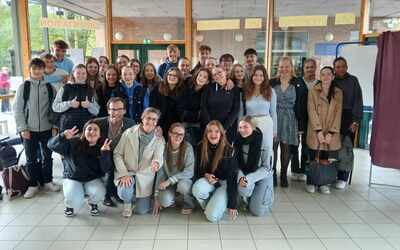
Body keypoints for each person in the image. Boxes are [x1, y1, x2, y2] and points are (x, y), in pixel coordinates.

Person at [13, 58, 60, 199]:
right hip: (29, 130)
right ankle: (33, 185)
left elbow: (56, 109)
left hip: (47, 128)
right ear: (30, 69)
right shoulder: (24, 87)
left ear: (43, 69)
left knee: (48, 156)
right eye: (35, 68)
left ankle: (47, 181)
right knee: (31, 158)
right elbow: (17, 109)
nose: (37, 71)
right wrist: (23, 128)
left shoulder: (50, 87)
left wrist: (55, 126)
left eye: (40, 68)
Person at [47, 120, 112, 217]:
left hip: (92, 179)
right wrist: (62, 136)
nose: (92, 132)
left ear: (99, 134)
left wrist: (105, 154)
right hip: (72, 178)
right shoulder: (73, 143)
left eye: (95, 130)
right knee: (74, 200)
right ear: (84, 131)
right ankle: (70, 205)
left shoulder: (103, 147)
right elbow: (50, 145)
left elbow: (106, 169)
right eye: (89, 129)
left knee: (100, 193)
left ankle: (92, 203)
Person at [113, 107, 165, 217]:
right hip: (128, 173)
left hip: (145, 177)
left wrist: (156, 163)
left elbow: (159, 156)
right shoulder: (129, 133)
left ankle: (137, 197)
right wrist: (123, 174)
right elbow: (117, 154)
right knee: (124, 192)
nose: (151, 122)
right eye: (148, 118)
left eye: (154, 119)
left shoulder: (159, 138)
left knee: (141, 211)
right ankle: (127, 203)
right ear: (142, 118)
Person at [270, 57, 307, 187]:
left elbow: (303, 105)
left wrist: (301, 125)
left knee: (286, 148)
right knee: (273, 148)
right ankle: (272, 174)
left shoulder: (299, 82)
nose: (284, 69)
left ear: (291, 67)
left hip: (291, 118)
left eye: (286, 66)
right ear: (278, 68)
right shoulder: (271, 82)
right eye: (281, 67)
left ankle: (284, 174)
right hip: (274, 117)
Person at [192, 120, 238, 223]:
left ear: (221, 134)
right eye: (210, 131)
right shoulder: (200, 147)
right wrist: (206, 174)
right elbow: (198, 170)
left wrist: (233, 204)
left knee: (211, 217)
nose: (213, 134)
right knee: (197, 189)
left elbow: (232, 178)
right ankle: (211, 205)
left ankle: (217, 205)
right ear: (206, 133)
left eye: (217, 131)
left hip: (225, 184)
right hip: (210, 182)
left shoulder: (229, 150)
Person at [306, 66, 343, 194]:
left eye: (328, 74)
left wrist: (332, 132)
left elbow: (338, 114)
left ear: (333, 76)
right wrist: (318, 131)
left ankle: (323, 183)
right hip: (316, 129)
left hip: (331, 131)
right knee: (313, 156)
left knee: (326, 157)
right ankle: (311, 181)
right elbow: (311, 111)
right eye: (323, 74)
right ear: (319, 77)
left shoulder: (338, 92)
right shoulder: (313, 91)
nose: (326, 77)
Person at [94, 97, 135, 207]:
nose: (115, 112)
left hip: (121, 155)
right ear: (108, 110)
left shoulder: (130, 124)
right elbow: (87, 133)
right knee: (109, 167)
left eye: (118, 109)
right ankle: (107, 196)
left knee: (120, 164)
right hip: (103, 154)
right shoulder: (99, 122)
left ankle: (117, 193)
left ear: (124, 111)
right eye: (112, 109)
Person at [333, 57, 363, 189]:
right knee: (334, 147)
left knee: (346, 148)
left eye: (342, 66)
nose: (340, 69)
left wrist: (355, 120)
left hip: (349, 117)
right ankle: (332, 174)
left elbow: (358, 100)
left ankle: (343, 177)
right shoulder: (332, 81)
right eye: (338, 66)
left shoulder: (353, 80)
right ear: (334, 68)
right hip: (334, 117)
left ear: (347, 67)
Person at [235, 117, 274, 216]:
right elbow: (234, 164)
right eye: (240, 127)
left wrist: (249, 179)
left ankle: (265, 194)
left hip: (262, 176)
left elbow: (266, 168)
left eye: (245, 127)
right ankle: (248, 197)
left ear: (253, 128)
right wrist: (241, 178)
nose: (242, 130)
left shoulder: (265, 144)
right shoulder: (236, 141)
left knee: (257, 211)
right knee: (243, 190)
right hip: (243, 174)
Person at [153, 123, 195, 215]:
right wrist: (156, 197)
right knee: (164, 201)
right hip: (169, 182)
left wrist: (169, 181)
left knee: (183, 186)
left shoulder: (188, 148)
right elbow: (160, 173)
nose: (178, 136)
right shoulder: (164, 148)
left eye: (181, 134)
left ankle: (188, 204)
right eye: (175, 133)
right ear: (169, 133)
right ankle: (173, 199)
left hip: (183, 181)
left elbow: (189, 172)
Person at [240, 65, 277, 166]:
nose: (258, 77)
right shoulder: (246, 91)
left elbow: (273, 112)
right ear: (252, 76)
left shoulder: (270, 91)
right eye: (256, 75)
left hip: (266, 123)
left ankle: (267, 173)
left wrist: (274, 131)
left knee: (266, 149)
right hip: (250, 124)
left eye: (261, 75)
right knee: (253, 150)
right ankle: (253, 173)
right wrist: (241, 127)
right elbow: (242, 111)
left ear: (264, 77)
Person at [290, 58, 318, 182]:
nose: (309, 69)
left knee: (307, 146)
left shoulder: (319, 84)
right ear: (303, 69)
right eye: (307, 67)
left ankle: (305, 170)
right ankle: (295, 170)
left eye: (312, 67)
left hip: (312, 121)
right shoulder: (297, 82)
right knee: (294, 145)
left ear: (315, 68)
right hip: (296, 119)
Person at [52, 64, 100, 132]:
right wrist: (69, 104)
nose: (81, 75)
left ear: (86, 75)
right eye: (78, 73)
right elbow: (55, 107)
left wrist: (89, 105)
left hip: (85, 129)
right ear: (73, 74)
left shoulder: (90, 90)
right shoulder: (65, 88)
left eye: (83, 73)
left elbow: (96, 111)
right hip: (67, 129)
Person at [201, 65, 240, 143]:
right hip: (211, 129)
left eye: (219, 72)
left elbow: (236, 109)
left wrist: (224, 128)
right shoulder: (208, 88)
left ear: (225, 72)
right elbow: (203, 107)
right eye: (215, 74)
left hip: (228, 128)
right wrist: (211, 127)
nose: (217, 75)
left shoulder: (234, 89)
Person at [178, 68, 212, 147]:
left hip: (199, 126)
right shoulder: (186, 89)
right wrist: (196, 115)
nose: (201, 78)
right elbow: (180, 109)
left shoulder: (206, 93)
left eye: (204, 77)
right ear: (196, 76)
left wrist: (197, 115)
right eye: (200, 75)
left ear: (207, 81)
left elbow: (204, 112)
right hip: (185, 124)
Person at [150, 67, 185, 139]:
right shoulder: (158, 88)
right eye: (170, 75)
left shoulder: (182, 91)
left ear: (179, 78)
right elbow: (153, 109)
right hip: (159, 123)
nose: (172, 77)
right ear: (166, 76)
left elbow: (181, 111)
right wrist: (157, 125)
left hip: (175, 125)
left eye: (175, 76)